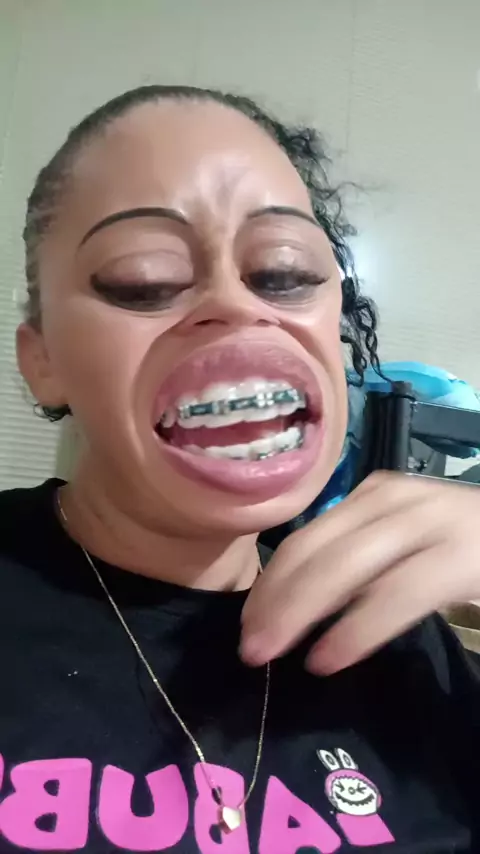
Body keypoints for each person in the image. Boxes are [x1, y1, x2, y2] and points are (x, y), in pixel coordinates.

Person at [1, 84, 480, 853]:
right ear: (43, 359)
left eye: (286, 273)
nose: (236, 304)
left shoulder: (398, 639)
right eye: (144, 279)